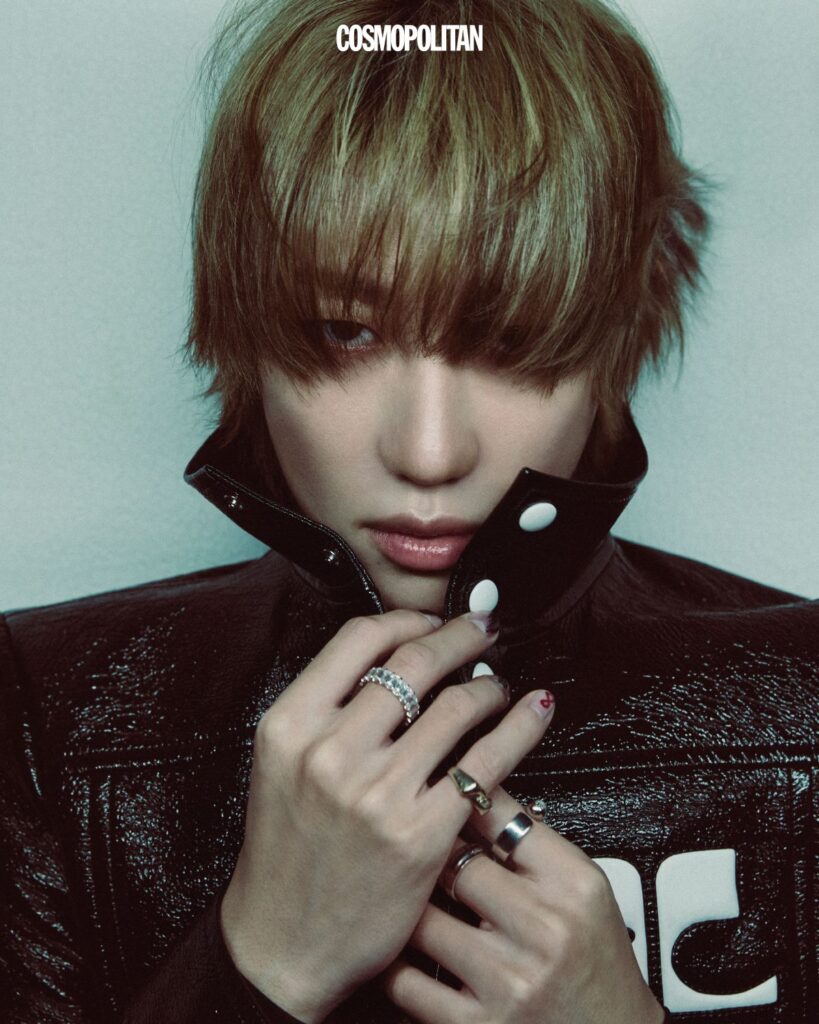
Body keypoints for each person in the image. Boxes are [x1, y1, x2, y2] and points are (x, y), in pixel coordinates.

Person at [1, 0, 816, 1022]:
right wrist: (264, 962)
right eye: (343, 330)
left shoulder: (801, 703)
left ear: (615, 333)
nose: (429, 452)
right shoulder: (48, 715)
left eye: (509, 336)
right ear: (246, 324)